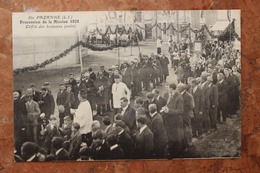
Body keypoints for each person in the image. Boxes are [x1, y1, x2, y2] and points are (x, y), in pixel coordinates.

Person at [161, 83, 184, 158]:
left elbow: (180, 111)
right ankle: (172, 151)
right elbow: (169, 105)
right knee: (171, 136)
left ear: (171, 88)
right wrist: (165, 108)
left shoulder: (179, 97)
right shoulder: (170, 95)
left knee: (177, 137)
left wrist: (169, 111)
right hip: (170, 119)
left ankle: (177, 153)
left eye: (168, 88)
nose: (167, 89)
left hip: (176, 120)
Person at [177, 83, 194, 151]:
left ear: (182, 88)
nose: (177, 89)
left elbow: (189, 106)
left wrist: (181, 110)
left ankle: (188, 143)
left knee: (187, 129)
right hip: (182, 115)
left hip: (185, 115)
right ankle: (186, 143)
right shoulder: (181, 95)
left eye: (178, 88)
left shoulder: (187, 96)